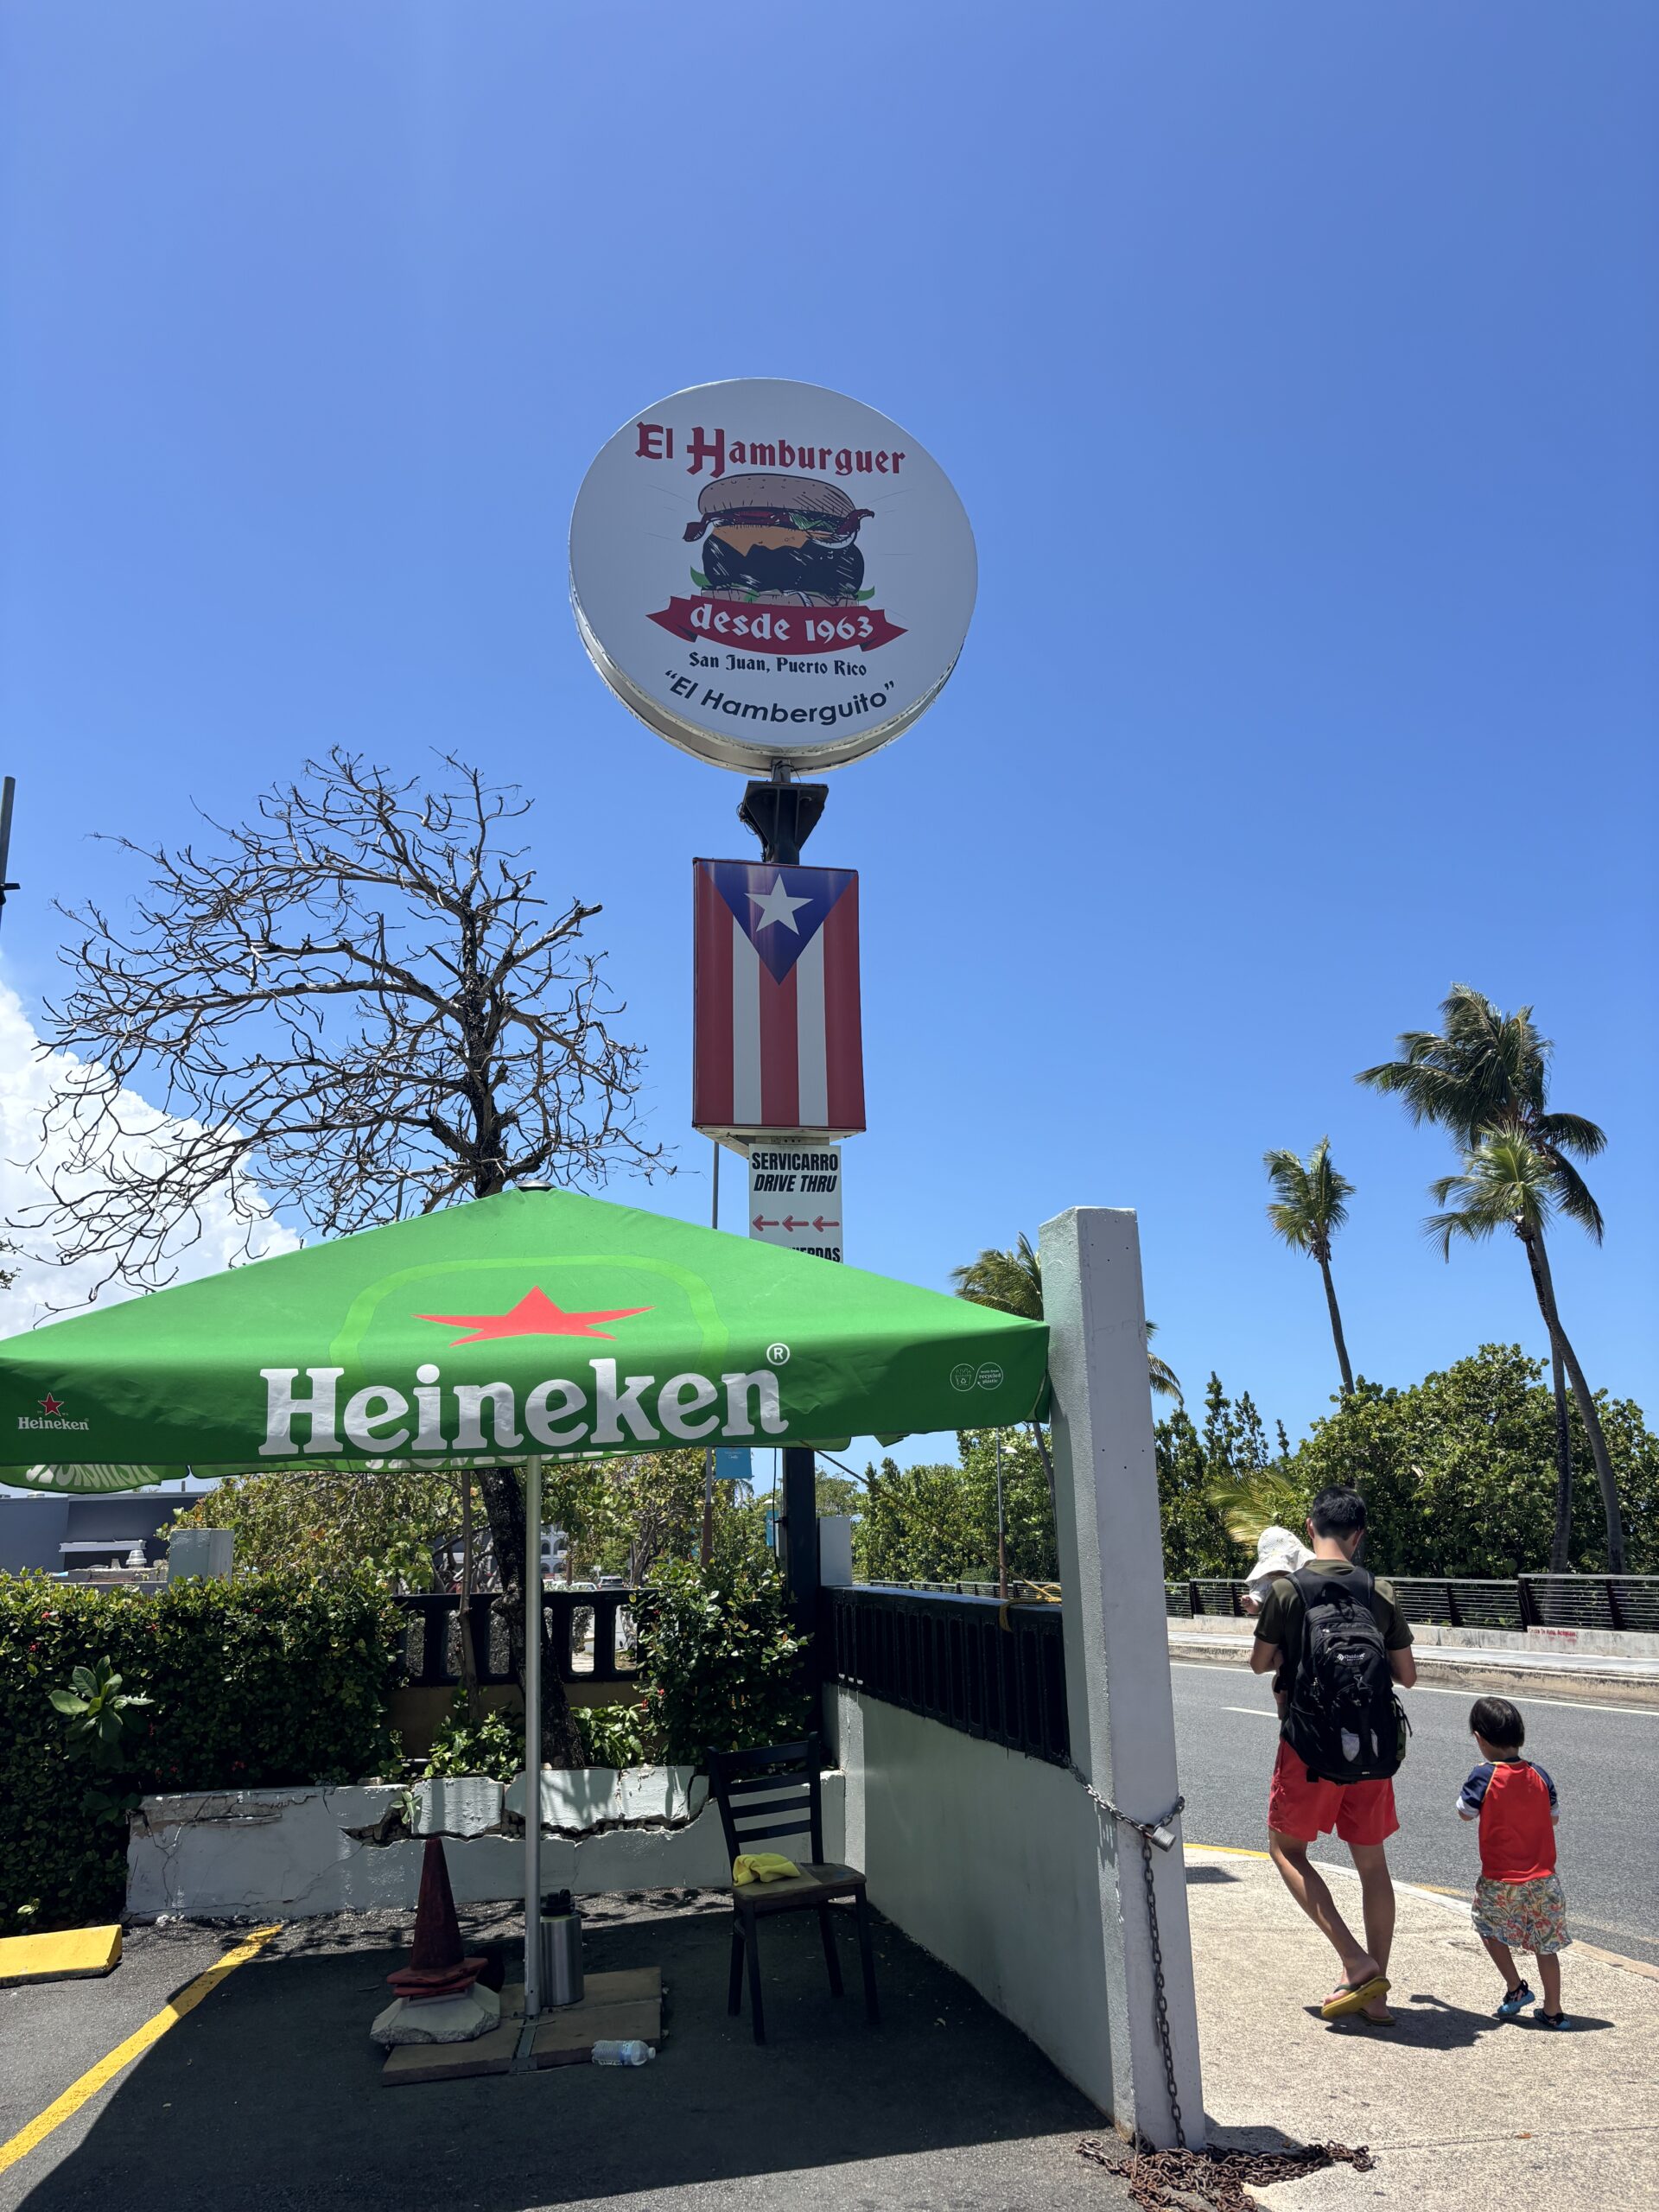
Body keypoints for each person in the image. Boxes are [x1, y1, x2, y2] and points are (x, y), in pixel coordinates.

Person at [1250, 1486, 1416, 2025]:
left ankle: (1355, 1960)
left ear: (1310, 1526)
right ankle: (1377, 1996)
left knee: (1286, 1850)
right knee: (1373, 1866)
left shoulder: (1288, 1591)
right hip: (1371, 1746)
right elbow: (1407, 1676)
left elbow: (1259, 1663)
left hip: (1310, 1749)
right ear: (1359, 1534)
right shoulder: (1379, 1589)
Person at [1458, 1694, 1573, 2029]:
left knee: (1486, 1926)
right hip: (1544, 1878)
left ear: (1479, 1738)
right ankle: (1554, 2011)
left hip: (1500, 1877)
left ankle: (1515, 1987)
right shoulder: (1539, 1774)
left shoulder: (1484, 1775)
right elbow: (1553, 1817)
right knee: (1545, 1944)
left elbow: (1464, 1812)